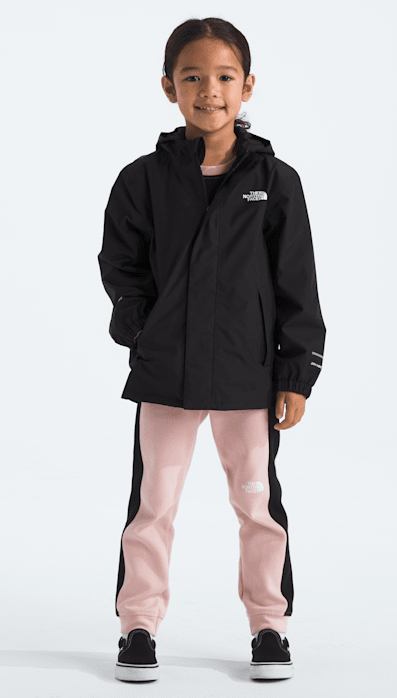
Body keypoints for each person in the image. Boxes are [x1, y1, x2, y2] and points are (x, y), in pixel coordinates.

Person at [97, 16, 326, 682]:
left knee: (257, 505)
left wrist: (297, 374)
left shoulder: (275, 181)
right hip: (165, 373)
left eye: (225, 77)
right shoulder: (142, 180)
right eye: (193, 77)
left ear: (247, 85)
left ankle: (269, 627)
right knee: (153, 505)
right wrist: (143, 329)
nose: (210, 90)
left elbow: (297, 283)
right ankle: (138, 626)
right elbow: (120, 266)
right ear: (169, 87)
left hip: (247, 375)